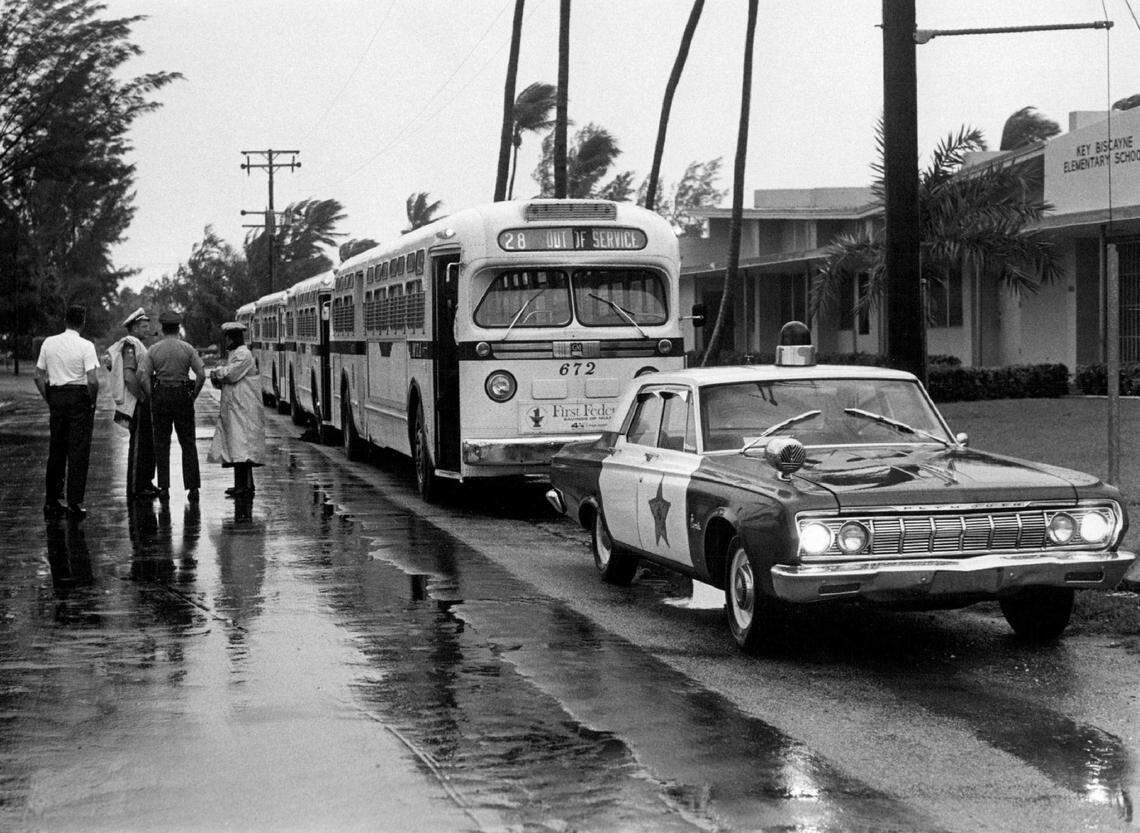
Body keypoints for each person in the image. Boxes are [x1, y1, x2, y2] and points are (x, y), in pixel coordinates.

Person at [34, 303, 100, 519]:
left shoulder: (48, 343)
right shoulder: (86, 345)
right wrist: (92, 402)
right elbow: (92, 380)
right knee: (78, 450)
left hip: (57, 396)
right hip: (78, 397)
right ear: (83, 322)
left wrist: (49, 399)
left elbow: (38, 375)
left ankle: (51, 499)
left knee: (57, 449)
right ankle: (74, 501)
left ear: (65, 320)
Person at [138, 311, 205, 503]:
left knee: (162, 443)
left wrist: (153, 395)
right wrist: (193, 396)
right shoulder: (187, 348)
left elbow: (143, 376)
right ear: (178, 328)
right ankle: (193, 488)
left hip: (161, 396)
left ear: (162, 327)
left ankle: (164, 487)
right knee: (188, 443)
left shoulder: (153, 350)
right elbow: (201, 374)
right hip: (183, 395)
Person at [208, 321, 265, 498]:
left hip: (243, 409)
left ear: (232, 338)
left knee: (242, 449)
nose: (226, 342)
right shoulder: (236, 354)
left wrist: (216, 372)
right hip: (237, 408)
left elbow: (230, 375)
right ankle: (241, 484)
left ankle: (245, 486)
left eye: (227, 338)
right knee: (236, 447)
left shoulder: (243, 355)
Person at [107, 307, 158, 499]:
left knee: (146, 444)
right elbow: (129, 376)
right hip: (136, 402)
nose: (147, 329)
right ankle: (136, 487)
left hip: (141, 401)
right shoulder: (130, 344)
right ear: (134, 327)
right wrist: (143, 397)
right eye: (144, 326)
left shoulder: (137, 344)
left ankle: (145, 482)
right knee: (138, 445)